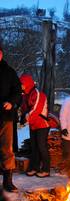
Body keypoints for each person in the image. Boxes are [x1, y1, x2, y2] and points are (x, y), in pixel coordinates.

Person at [0, 45, 22, 192]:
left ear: (1, 54)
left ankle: (8, 182)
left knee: (7, 149)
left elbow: (18, 91)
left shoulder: (9, 72)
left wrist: (11, 102)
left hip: (5, 116)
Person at [20, 74, 50, 178]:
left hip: (42, 124)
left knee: (42, 147)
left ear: (27, 84)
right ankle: (35, 168)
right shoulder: (25, 95)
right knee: (34, 147)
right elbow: (24, 108)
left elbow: (36, 110)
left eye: (22, 84)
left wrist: (26, 117)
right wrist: (23, 116)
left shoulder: (38, 94)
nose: (21, 86)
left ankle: (46, 169)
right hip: (33, 125)